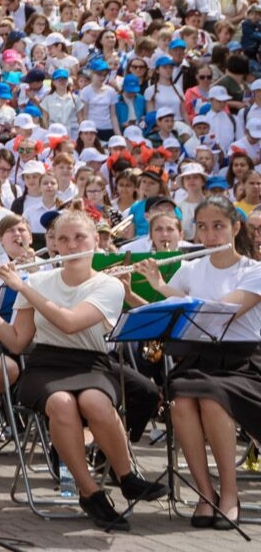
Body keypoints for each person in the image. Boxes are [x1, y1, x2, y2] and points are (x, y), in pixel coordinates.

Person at [0, 208, 164, 532]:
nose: (72, 244)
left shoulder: (109, 285)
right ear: (54, 244)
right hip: (45, 364)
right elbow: (17, 343)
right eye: (63, 239)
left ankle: (127, 476)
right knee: (61, 403)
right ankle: (90, 492)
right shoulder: (40, 279)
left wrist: (24, 287)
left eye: (80, 237)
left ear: (96, 242)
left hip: (92, 362)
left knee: (94, 402)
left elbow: (70, 323)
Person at [136, 195, 261, 529]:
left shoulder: (255, 271)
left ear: (235, 227)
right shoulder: (189, 269)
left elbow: (222, 311)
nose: (210, 236)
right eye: (203, 228)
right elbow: (173, 314)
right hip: (197, 359)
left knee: (211, 399)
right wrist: (155, 287)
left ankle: (230, 494)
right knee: (179, 401)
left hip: (242, 362)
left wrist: (168, 291)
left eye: (218, 226)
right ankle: (206, 496)